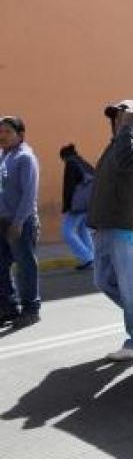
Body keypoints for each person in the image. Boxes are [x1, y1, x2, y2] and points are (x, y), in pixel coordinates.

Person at [88, 99, 133, 361]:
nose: (117, 121)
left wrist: (127, 129)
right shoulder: (116, 144)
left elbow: (128, 163)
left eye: (122, 116)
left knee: (130, 288)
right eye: (115, 117)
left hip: (126, 228)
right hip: (104, 226)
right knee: (103, 281)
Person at [0, 116, 41, 329]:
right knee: (1, 266)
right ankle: (7, 307)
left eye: (7, 131)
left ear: (20, 134)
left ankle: (31, 309)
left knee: (25, 267)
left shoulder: (25, 158)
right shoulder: (3, 156)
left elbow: (29, 195)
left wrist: (18, 223)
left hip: (21, 223)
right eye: (0, 132)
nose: (2, 136)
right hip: (2, 221)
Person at [59, 144, 95, 270]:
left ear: (64, 156)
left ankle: (87, 257)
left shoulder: (71, 164)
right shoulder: (83, 163)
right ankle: (92, 258)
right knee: (83, 230)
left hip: (77, 206)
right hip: (89, 203)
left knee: (67, 232)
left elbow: (68, 186)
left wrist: (66, 206)